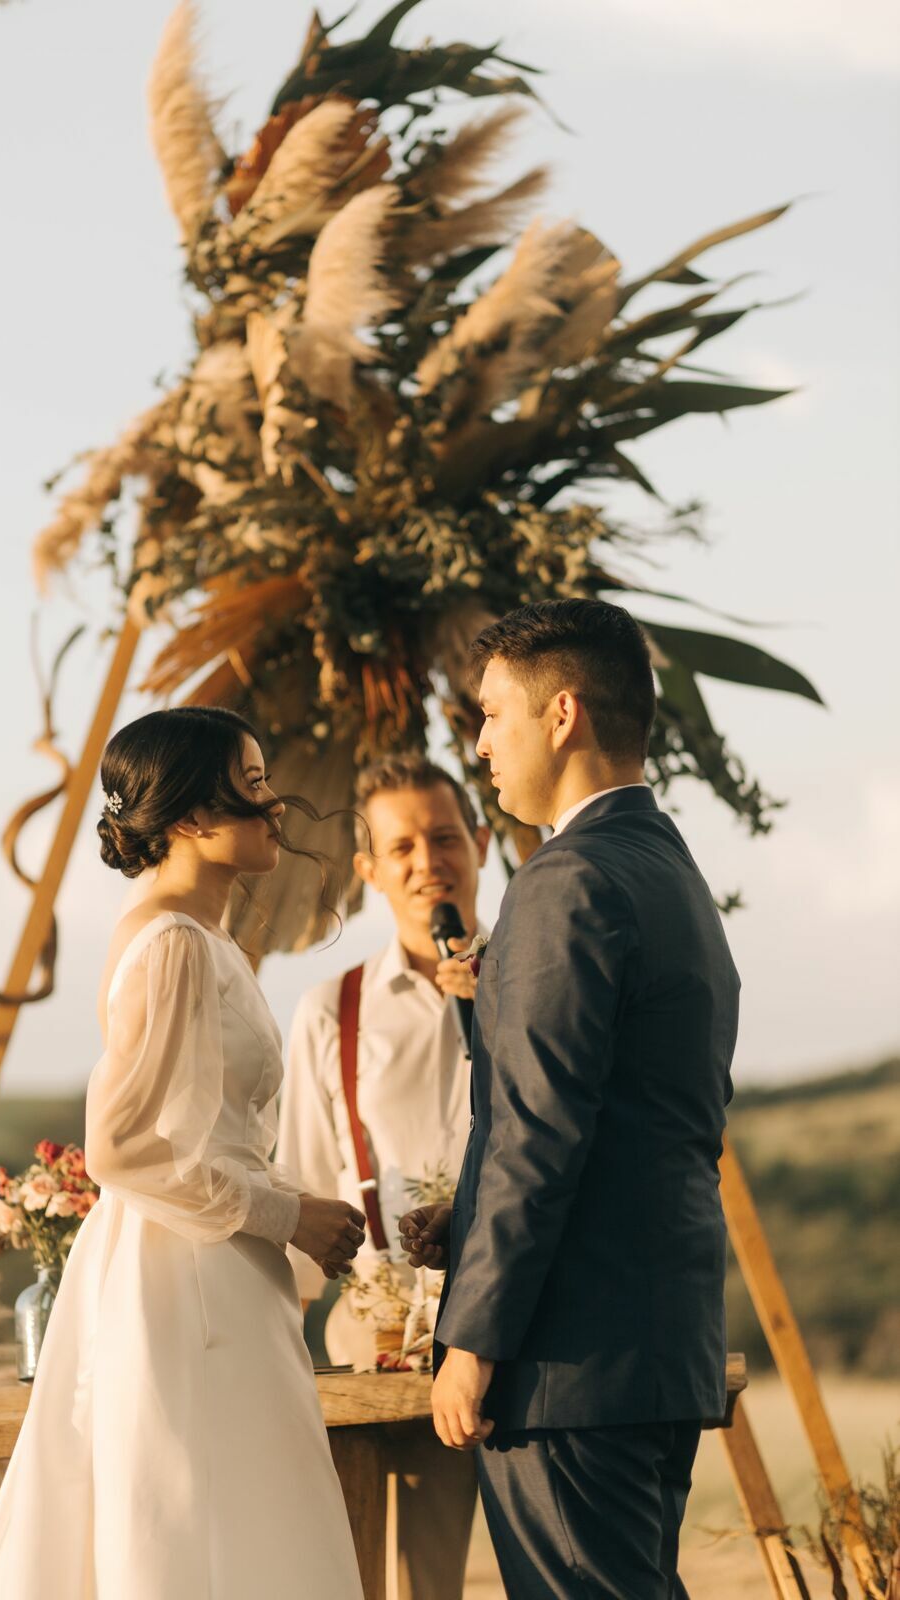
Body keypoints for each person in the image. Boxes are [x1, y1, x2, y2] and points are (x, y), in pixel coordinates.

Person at [0, 706, 366, 1600]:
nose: (277, 809)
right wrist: (288, 1215)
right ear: (188, 818)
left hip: (211, 1264)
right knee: (204, 1524)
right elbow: (125, 1147)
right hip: (186, 1283)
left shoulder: (201, 936)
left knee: (235, 1523)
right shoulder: (174, 941)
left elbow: (207, 1132)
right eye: (253, 787)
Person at [400, 598, 740, 1600]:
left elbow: (535, 1134)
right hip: (654, 1344)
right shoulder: (667, 871)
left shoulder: (564, 879)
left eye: (491, 714)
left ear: (562, 713)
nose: (479, 744)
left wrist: (472, 1338)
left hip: (566, 1364)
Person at [277, 753, 491, 1600]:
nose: (426, 861)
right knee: (393, 1581)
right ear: (367, 871)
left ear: (479, 842)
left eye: (443, 838)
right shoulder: (331, 1010)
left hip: (524, 1322)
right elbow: (299, 1177)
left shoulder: (539, 979)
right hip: (382, 1338)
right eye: (400, 847)